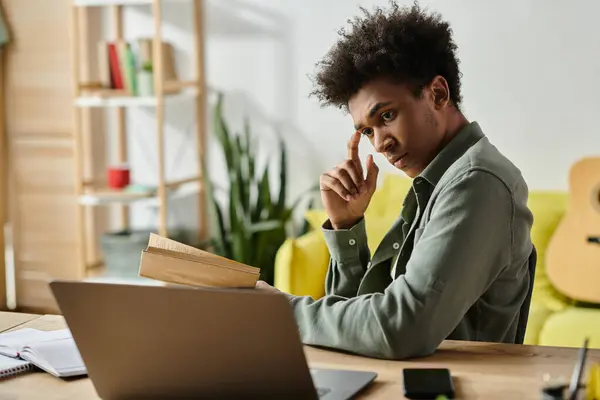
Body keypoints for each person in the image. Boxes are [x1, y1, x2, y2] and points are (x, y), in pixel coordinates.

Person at [256, 1, 534, 360]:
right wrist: (347, 227)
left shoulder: (477, 182)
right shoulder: (437, 184)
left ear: (437, 94)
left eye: (386, 115)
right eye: (367, 131)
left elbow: (401, 328)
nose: (381, 143)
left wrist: (276, 312)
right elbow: (359, 331)